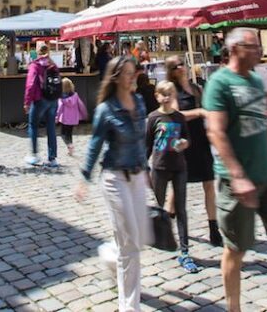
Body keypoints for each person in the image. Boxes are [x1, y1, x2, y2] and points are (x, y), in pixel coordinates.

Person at [204, 28, 267, 312]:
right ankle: (234, 308)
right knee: (236, 250)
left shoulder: (257, 81)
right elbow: (216, 132)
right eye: (253, 46)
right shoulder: (219, 83)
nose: (260, 51)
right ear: (234, 49)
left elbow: (264, 127)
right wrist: (237, 175)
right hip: (236, 181)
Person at [75, 56, 149, 312]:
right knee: (130, 245)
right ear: (116, 77)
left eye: (134, 72)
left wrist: (147, 169)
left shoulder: (139, 102)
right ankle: (129, 306)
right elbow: (95, 145)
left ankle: (108, 254)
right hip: (115, 178)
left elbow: (142, 141)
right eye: (128, 73)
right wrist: (85, 177)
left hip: (137, 176)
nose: (133, 77)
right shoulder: (106, 109)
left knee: (137, 241)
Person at [164, 55, 221, 247]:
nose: (183, 67)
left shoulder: (197, 87)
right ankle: (166, 222)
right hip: (185, 142)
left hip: (202, 140)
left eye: (183, 64)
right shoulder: (173, 91)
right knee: (178, 188)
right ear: (172, 70)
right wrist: (198, 112)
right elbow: (175, 114)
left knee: (209, 184)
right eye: (178, 65)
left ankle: (214, 229)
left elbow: (208, 108)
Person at [146, 80, 200, 274]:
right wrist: (144, 169)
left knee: (181, 210)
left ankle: (185, 252)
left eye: (170, 94)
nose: (167, 97)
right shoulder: (153, 118)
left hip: (179, 167)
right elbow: (147, 145)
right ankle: (156, 238)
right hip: (159, 168)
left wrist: (185, 143)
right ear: (157, 96)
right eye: (163, 94)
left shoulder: (178, 117)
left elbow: (187, 137)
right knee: (158, 208)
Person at [24, 42, 60, 167]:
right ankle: (52, 158)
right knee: (51, 127)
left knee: (33, 125)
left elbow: (30, 84)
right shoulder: (53, 64)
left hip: (40, 99)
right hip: (53, 99)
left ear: (37, 52)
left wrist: (27, 102)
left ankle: (34, 155)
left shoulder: (35, 65)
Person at [55, 77, 89, 157]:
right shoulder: (75, 96)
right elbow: (81, 106)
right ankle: (70, 149)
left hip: (65, 120)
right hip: (73, 119)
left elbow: (59, 109)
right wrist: (85, 114)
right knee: (69, 133)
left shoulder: (61, 98)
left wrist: (56, 118)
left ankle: (69, 145)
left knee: (63, 134)